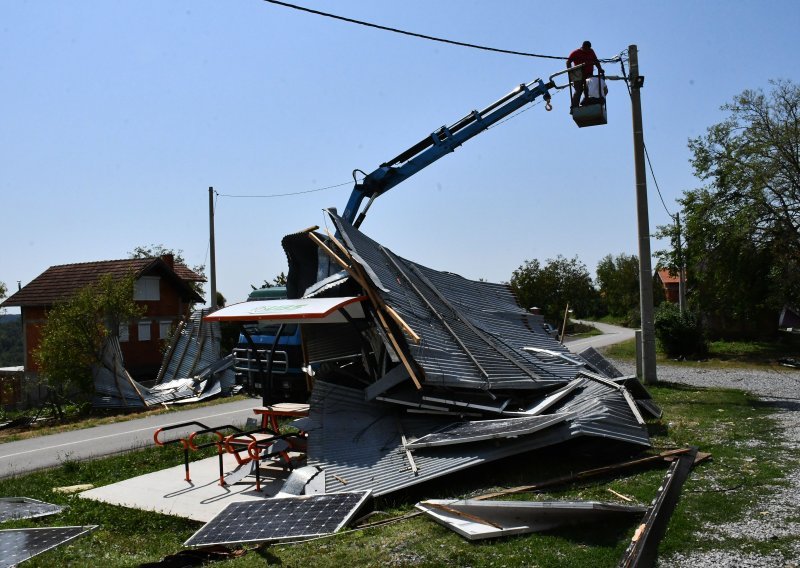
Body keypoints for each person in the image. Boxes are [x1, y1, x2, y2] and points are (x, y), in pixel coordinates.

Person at [567, 41, 603, 109]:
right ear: (583, 47)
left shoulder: (591, 51)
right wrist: (570, 72)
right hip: (578, 75)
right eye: (587, 49)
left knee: (588, 90)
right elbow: (568, 62)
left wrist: (600, 69)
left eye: (589, 48)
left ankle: (587, 105)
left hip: (589, 75)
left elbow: (596, 61)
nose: (588, 50)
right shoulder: (576, 53)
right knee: (579, 90)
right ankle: (574, 107)